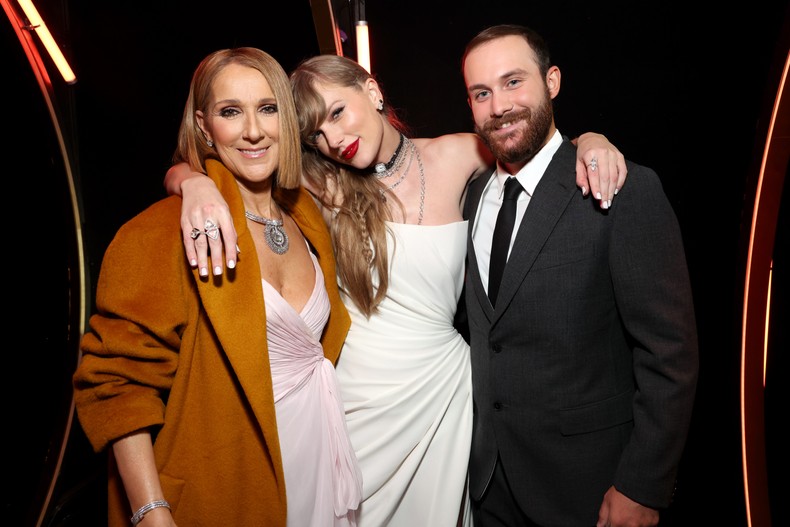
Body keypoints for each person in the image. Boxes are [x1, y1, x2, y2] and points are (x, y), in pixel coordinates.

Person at [165, 54, 626, 526]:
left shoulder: (460, 154)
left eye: (338, 113)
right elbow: (200, 163)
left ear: (372, 91)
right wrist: (193, 184)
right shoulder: (316, 182)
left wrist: (592, 140)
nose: (334, 139)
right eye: (316, 134)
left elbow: (538, 151)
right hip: (356, 401)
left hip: (442, 395)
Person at [72, 47, 361, 527]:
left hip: (319, 458)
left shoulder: (306, 214)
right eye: (231, 112)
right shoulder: (163, 231)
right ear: (204, 126)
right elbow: (116, 384)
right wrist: (151, 513)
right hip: (228, 483)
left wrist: (188, 178)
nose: (254, 130)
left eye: (267, 108)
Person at [460, 24, 699, 527]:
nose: (498, 106)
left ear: (552, 81)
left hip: (588, 489)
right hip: (488, 487)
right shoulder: (470, 196)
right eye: (481, 93)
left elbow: (669, 353)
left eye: (513, 82)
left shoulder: (622, 188)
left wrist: (642, 485)